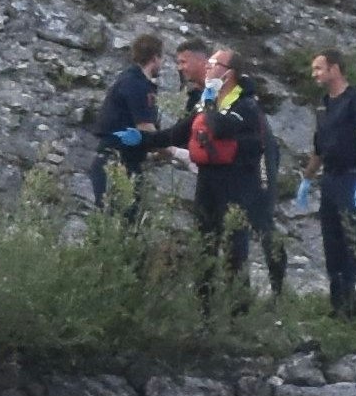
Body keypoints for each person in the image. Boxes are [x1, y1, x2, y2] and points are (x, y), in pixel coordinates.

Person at [170, 46, 271, 304]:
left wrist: (209, 99)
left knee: (235, 245)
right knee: (205, 240)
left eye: (215, 63)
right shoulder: (204, 99)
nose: (209, 67)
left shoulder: (244, 105)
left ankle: (239, 309)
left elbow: (219, 126)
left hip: (237, 182)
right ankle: (203, 307)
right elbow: (181, 132)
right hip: (209, 180)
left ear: (230, 73)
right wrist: (144, 140)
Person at [305, 49, 356, 317]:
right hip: (330, 179)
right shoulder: (323, 104)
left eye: (318, 68)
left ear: (335, 69)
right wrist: (307, 179)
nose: (314, 74)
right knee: (332, 243)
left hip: (351, 178)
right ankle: (341, 306)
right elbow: (319, 146)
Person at [85, 33, 168, 218]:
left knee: (120, 221)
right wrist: (170, 150)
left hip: (123, 160)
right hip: (117, 163)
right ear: (155, 58)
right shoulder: (137, 85)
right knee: (118, 221)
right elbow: (146, 127)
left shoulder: (129, 80)